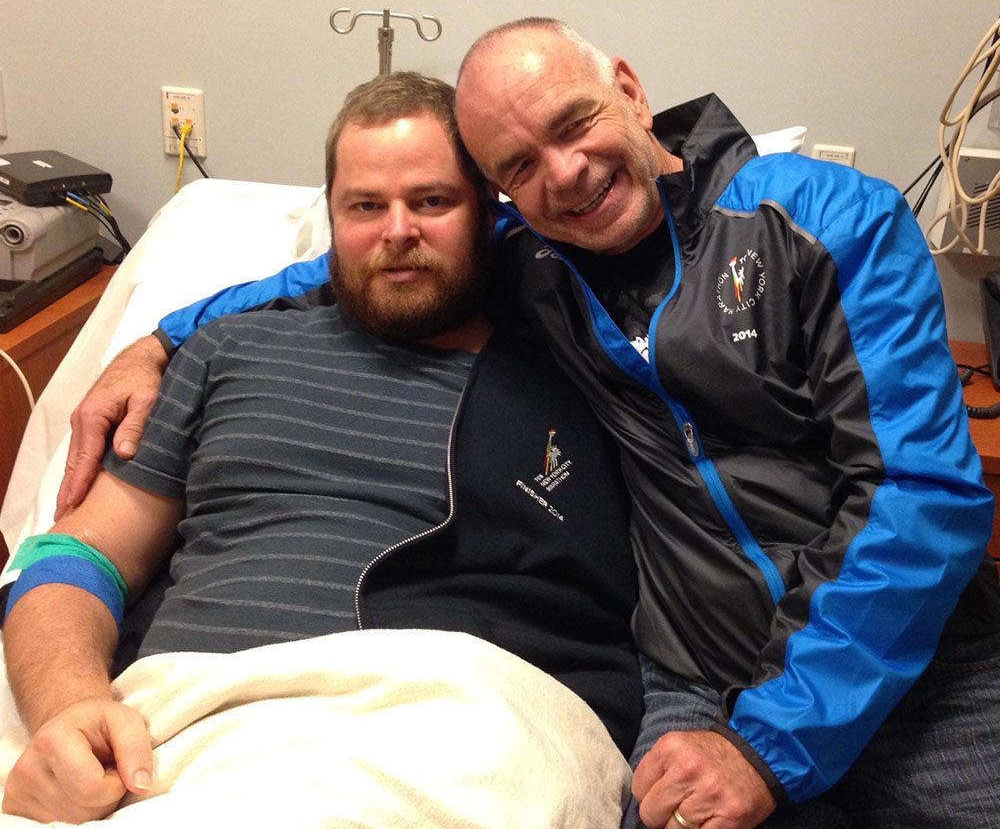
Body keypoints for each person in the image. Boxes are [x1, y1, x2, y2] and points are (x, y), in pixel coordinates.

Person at [54, 18, 1000, 829]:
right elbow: (369, 259)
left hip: (919, 663)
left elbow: (923, 496)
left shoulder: (825, 221)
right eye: (518, 167)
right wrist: (162, 336)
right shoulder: (537, 258)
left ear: (628, 89)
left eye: (575, 122)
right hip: (699, 679)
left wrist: (773, 742)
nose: (567, 172)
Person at [0, 71, 643, 824]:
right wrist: (69, 710)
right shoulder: (224, 350)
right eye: (365, 206)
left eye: (432, 201)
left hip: (463, 730)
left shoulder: (586, 372)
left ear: (489, 213)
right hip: (189, 732)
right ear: (332, 213)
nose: (396, 230)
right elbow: (74, 554)